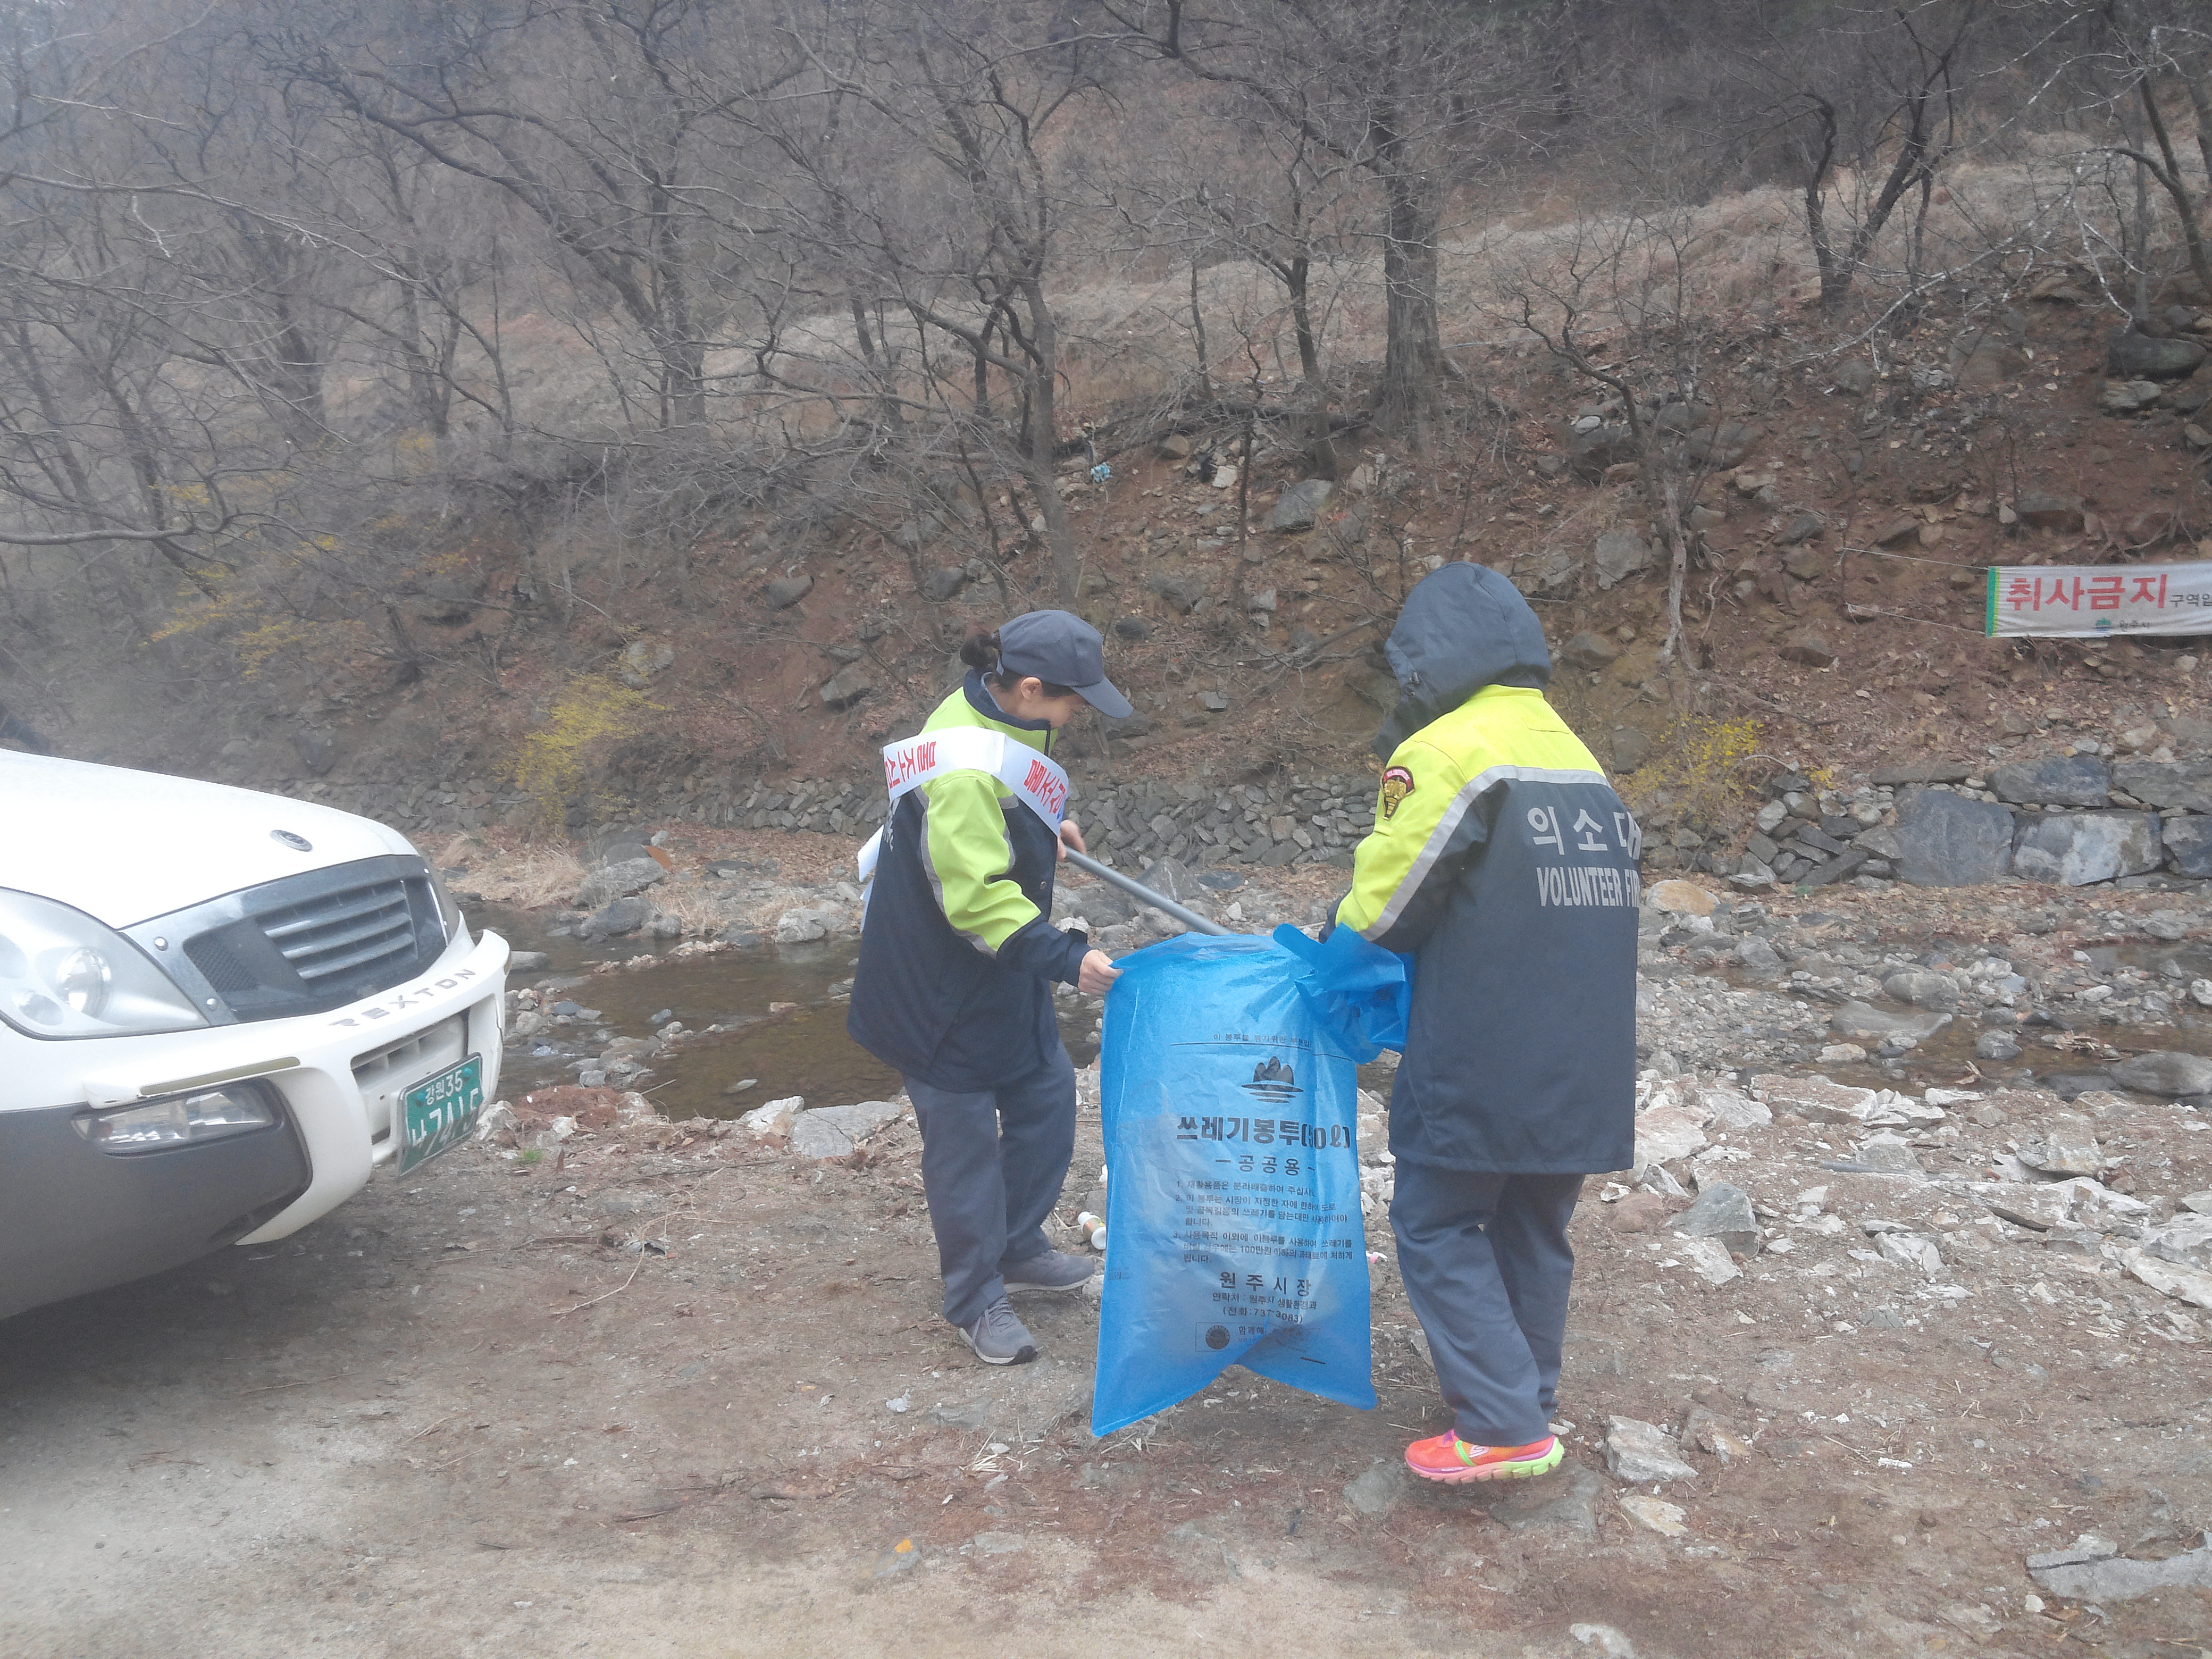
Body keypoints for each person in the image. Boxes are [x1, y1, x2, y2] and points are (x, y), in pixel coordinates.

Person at [1331, 564, 1639, 1483]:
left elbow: (1386, 910)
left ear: (1428, 657)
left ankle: (1505, 1426)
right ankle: (1522, 1395)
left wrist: (1325, 949)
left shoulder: (1447, 751)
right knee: (1533, 1225)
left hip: (1484, 1048)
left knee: (1436, 1222)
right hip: (1586, 1055)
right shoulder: (1578, 758)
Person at [847, 610, 1129, 1365]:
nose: (1078, 715)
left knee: (1047, 1099)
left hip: (1001, 973)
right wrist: (1067, 958)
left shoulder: (1002, 707)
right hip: (936, 983)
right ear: (1030, 687)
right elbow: (973, 900)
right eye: (1073, 701)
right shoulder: (960, 765)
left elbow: (1017, 790)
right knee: (965, 1149)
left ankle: (1016, 1246)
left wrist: (1048, 821)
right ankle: (975, 1298)